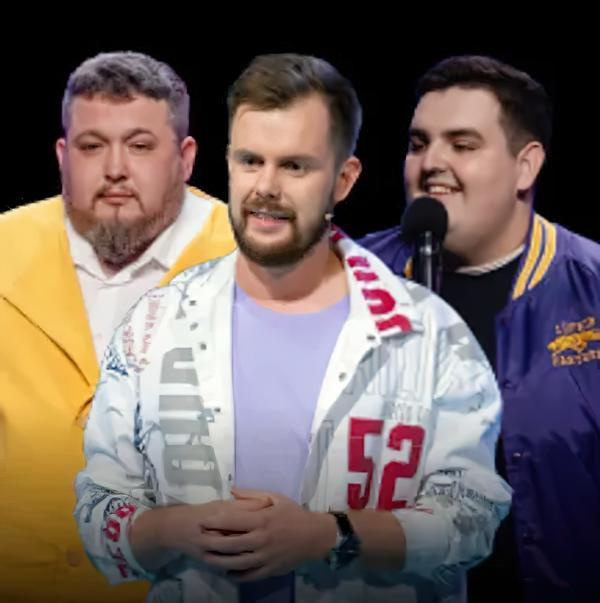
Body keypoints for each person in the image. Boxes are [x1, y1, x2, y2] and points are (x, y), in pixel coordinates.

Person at [75, 52, 510, 603]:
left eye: (295, 167)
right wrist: (174, 529)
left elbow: (472, 517)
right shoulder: (155, 324)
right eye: (250, 161)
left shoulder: (432, 335)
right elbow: (98, 509)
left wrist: (329, 536)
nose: (266, 187)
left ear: (343, 180)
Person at [360, 55, 600, 602]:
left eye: (462, 145)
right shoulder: (348, 280)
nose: (431, 163)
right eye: (418, 144)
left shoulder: (591, 289)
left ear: (526, 166)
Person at [0, 51, 235, 602]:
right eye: (92, 146)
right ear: (63, 156)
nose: (115, 169)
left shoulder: (249, 264)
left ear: (185, 158)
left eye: (140, 146)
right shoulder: (4, 250)